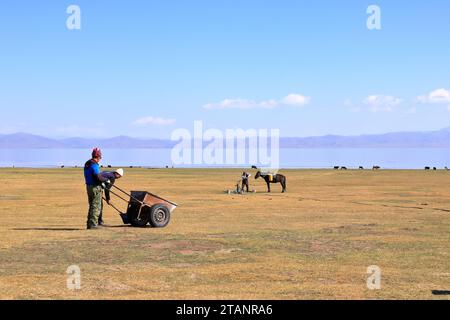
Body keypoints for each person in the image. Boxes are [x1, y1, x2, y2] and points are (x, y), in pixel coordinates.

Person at [84, 148, 109, 230]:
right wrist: (105, 180)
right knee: (96, 206)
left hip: (88, 186)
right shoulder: (94, 165)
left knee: (91, 205)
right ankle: (93, 224)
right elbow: (97, 176)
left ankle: (89, 223)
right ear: (98, 157)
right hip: (95, 187)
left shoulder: (87, 163)